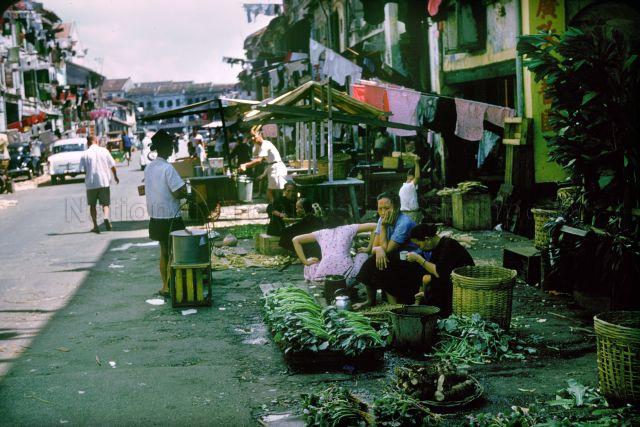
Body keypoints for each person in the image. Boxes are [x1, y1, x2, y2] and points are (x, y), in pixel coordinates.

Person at [352, 192, 417, 309]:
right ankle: (370, 300)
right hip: (393, 255)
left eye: (386, 208)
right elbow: (374, 248)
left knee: (384, 262)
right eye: (379, 209)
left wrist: (383, 228)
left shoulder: (404, 223)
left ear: (396, 208)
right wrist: (378, 249)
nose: (382, 212)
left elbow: (389, 250)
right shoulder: (382, 220)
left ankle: (393, 305)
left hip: (410, 259)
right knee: (371, 262)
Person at [144, 130, 187, 297]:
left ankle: (165, 286)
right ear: (166, 148)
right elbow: (178, 192)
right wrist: (186, 191)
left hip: (156, 217)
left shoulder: (149, 168)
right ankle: (171, 286)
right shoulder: (167, 168)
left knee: (163, 252)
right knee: (174, 252)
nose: (172, 149)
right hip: (170, 217)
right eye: (171, 146)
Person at [407, 223, 474, 316]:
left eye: (419, 245)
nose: (420, 248)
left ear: (427, 239)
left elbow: (439, 272)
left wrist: (419, 259)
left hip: (463, 285)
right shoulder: (436, 249)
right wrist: (423, 293)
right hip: (449, 282)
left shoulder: (449, 245)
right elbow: (428, 274)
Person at [293, 209, 376, 282]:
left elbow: (296, 240)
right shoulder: (349, 228)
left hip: (321, 280)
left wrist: (306, 262)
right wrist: (368, 248)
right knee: (362, 254)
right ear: (344, 220)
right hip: (346, 279)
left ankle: (309, 279)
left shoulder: (320, 233)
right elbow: (375, 226)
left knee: (311, 260)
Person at [79, 135, 119, 233]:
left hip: (91, 183)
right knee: (105, 203)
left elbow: (82, 170)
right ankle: (105, 217)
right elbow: (112, 165)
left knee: (92, 205)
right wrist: (115, 176)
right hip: (104, 182)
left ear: (88, 143)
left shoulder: (84, 154)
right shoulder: (104, 151)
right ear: (96, 141)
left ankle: (96, 226)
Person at [239, 125, 287, 203]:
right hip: (273, 168)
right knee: (270, 190)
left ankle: (277, 206)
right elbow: (255, 155)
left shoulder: (265, 144)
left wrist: (246, 165)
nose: (253, 138)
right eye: (252, 137)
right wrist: (255, 143)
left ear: (260, 135)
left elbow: (259, 160)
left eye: (255, 136)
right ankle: (274, 206)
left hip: (277, 169)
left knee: (277, 190)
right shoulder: (260, 145)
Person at [399, 154, 422, 223]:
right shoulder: (409, 186)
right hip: (410, 214)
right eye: (413, 177)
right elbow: (417, 177)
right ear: (409, 176)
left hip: (407, 214)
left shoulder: (404, 187)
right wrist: (416, 163)